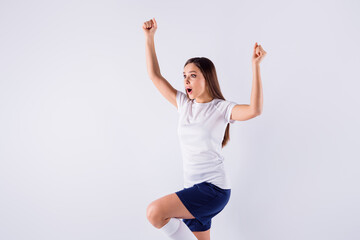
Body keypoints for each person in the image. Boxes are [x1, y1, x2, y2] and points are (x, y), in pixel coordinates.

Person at [143, 17, 266, 240]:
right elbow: (154, 76)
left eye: (192, 75)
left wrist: (255, 67)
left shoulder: (221, 108)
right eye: (184, 76)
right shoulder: (183, 105)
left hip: (212, 190)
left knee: (155, 212)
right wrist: (149, 38)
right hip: (193, 189)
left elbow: (255, 110)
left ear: (206, 79)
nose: (186, 81)